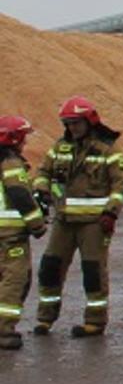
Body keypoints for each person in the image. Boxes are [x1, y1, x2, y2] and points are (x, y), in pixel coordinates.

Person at [30, 96, 123, 338]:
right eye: (68, 123)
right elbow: (43, 172)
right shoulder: (60, 147)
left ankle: (95, 322)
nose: (72, 128)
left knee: (93, 271)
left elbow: (121, 185)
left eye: (76, 122)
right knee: (50, 268)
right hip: (64, 221)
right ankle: (45, 318)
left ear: (89, 122)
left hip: (94, 223)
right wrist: (41, 191)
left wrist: (110, 213)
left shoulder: (108, 149)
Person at [1, 116, 49, 351]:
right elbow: (20, 195)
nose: (25, 143)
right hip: (9, 235)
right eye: (23, 137)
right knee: (14, 281)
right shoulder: (10, 163)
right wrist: (37, 225)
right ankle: (4, 329)